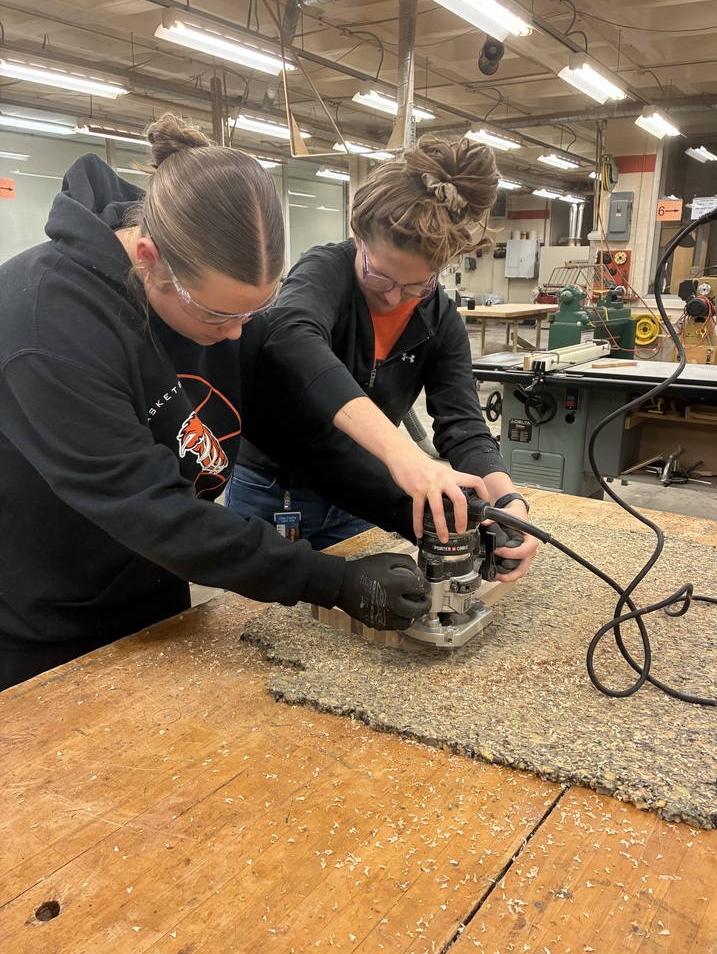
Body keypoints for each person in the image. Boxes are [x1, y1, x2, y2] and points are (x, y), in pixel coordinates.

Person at [0, 113, 435, 691]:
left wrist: (417, 513)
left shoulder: (220, 309)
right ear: (149, 257)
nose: (235, 334)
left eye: (252, 313)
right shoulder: (46, 325)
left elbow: (301, 439)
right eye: (217, 315)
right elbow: (151, 507)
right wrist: (330, 580)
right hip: (45, 628)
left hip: (159, 595)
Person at [226, 135, 538, 575]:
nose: (393, 297)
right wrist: (403, 456)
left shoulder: (440, 319)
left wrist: (508, 502)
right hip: (276, 492)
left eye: (416, 286)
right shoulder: (324, 272)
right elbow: (290, 338)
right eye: (380, 278)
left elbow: (464, 426)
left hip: (359, 497)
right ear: (359, 237)